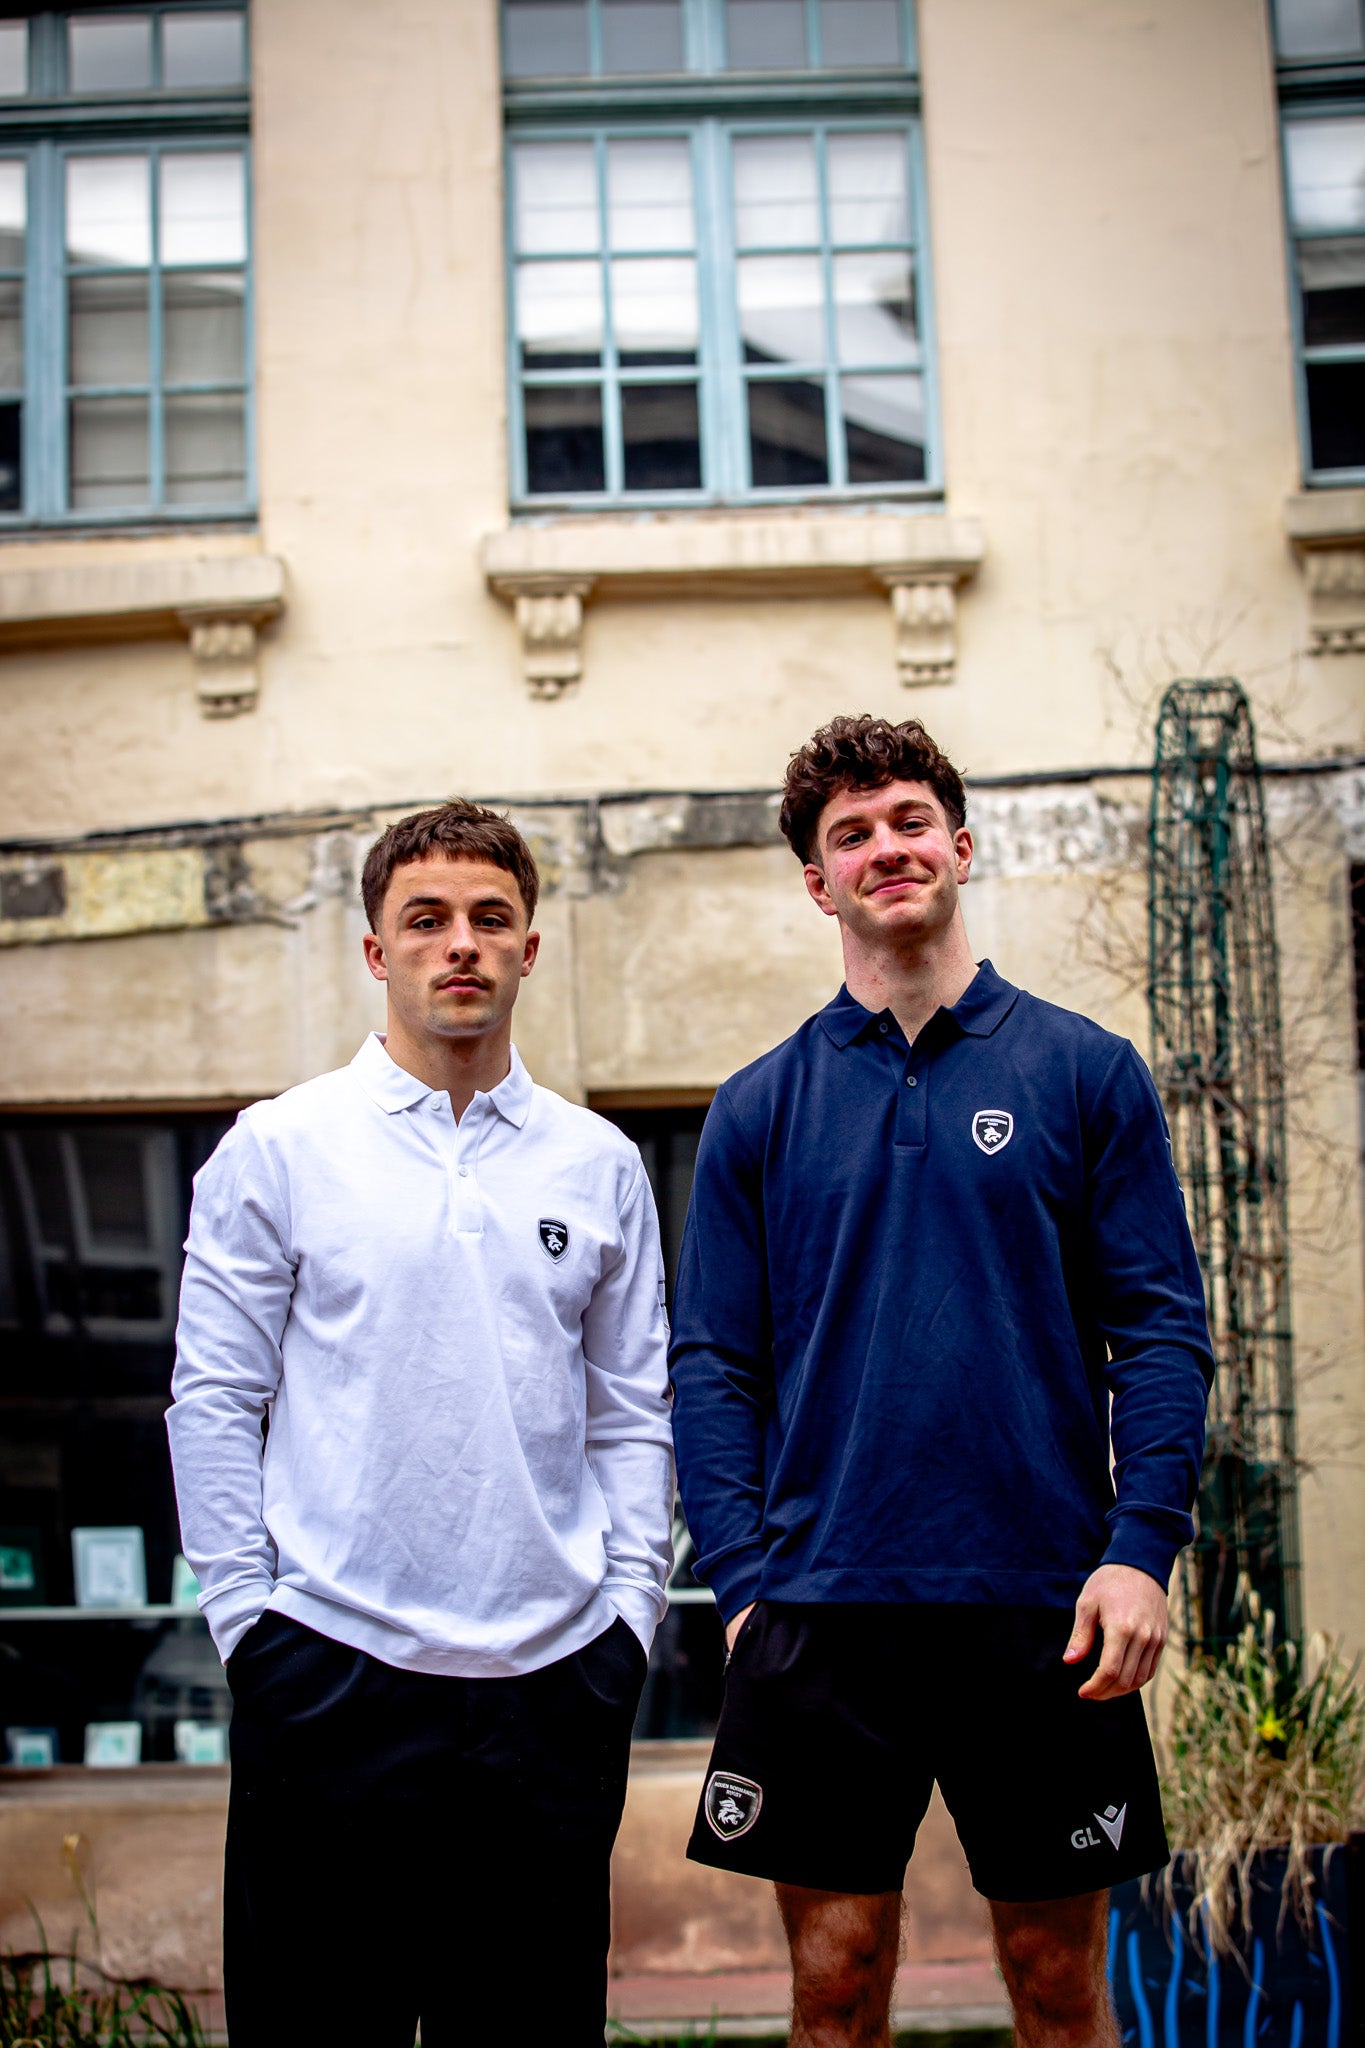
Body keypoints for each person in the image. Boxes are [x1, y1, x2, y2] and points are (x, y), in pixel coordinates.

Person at [669, 716, 1213, 2048]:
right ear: (820, 883)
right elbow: (713, 1365)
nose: (887, 848)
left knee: (1056, 1981)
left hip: (1044, 1604)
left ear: (959, 845)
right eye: (851, 834)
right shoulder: (758, 1107)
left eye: (909, 819)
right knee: (836, 1979)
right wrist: (741, 1582)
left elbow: (1158, 1332)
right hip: (820, 1604)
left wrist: (1138, 1551)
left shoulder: (1083, 1071)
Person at [168, 800, 674, 2048]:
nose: (461, 942)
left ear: (528, 949)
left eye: (491, 917)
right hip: (329, 1672)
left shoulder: (599, 1163)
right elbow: (215, 1399)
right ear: (375, 949)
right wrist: (249, 1628)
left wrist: (628, 1621)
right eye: (426, 918)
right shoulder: (279, 1148)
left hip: (553, 1688)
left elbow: (631, 1412)